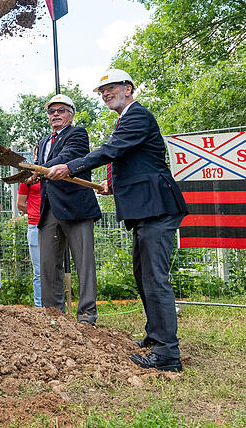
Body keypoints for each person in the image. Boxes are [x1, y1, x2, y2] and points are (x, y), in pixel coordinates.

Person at [46, 69, 188, 372]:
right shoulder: (125, 120)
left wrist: (69, 166)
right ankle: (156, 336)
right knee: (144, 276)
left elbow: (112, 151)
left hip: (157, 207)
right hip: (144, 211)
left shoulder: (137, 116)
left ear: (128, 88)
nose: (106, 93)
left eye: (111, 88)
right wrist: (113, 183)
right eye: (102, 90)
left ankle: (168, 355)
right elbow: (130, 159)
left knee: (155, 279)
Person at [36, 93, 102, 325]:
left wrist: (38, 169)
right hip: (50, 208)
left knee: (83, 262)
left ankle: (86, 315)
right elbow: (44, 172)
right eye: (52, 111)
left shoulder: (77, 134)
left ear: (71, 114)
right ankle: (53, 313)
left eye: (61, 110)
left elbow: (68, 157)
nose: (55, 114)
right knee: (48, 263)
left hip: (76, 207)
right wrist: (33, 173)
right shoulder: (44, 142)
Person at [16, 163, 42, 307]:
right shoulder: (27, 180)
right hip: (35, 225)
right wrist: (34, 212)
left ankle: (55, 305)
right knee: (38, 270)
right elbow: (20, 204)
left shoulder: (51, 175)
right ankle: (39, 306)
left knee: (56, 267)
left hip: (54, 225)